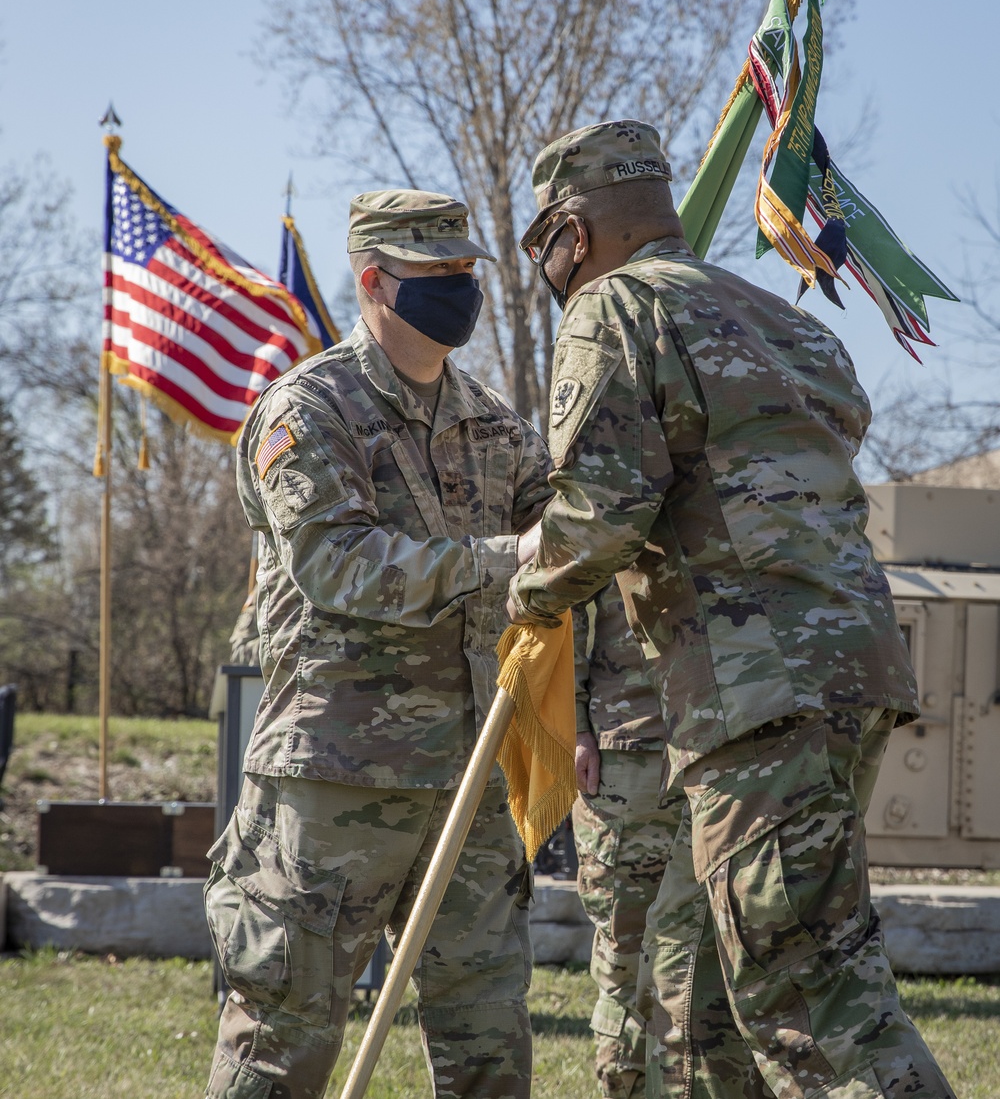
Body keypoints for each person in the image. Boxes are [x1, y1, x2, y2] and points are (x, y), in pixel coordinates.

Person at [508, 120, 955, 1099]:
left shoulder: (612, 309)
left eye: (546, 245)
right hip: (852, 669)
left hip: (753, 692)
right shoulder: (783, 319)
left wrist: (522, 583)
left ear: (574, 233)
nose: (550, 270)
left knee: (813, 1004)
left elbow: (600, 516)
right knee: (731, 993)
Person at [204, 189, 551, 1099]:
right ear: (374, 281)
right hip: (333, 778)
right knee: (283, 1037)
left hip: (470, 777)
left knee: (490, 1038)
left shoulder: (495, 423)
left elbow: (570, 530)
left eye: (466, 271)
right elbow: (336, 564)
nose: (461, 290)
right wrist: (506, 557)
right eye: (438, 274)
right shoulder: (308, 410)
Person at [572, 581, 681, 1099]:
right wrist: (573, 725)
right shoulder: (613, 494)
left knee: (727, 955)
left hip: (736, 749)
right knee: (629, 956)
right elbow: (559, 590)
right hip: (633, 751)